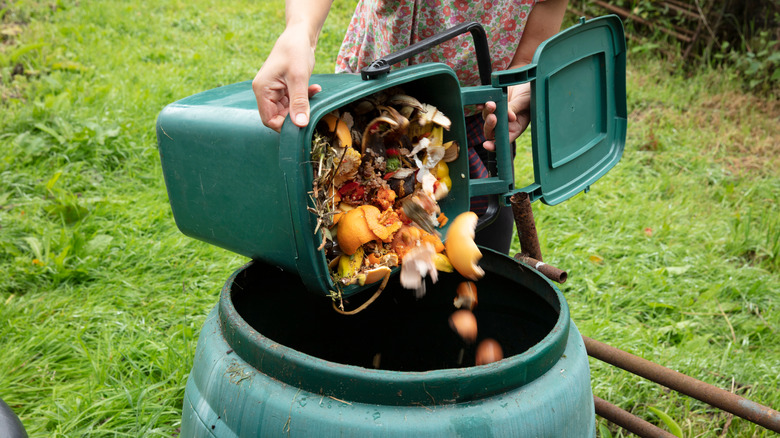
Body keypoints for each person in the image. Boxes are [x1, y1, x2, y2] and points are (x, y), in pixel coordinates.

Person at [253, 0, 568, 254]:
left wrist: (520, 86)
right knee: (348, 243)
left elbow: (535, 39)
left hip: (474, 124)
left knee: (480, 253)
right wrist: (300, 30)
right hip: (367, 113)